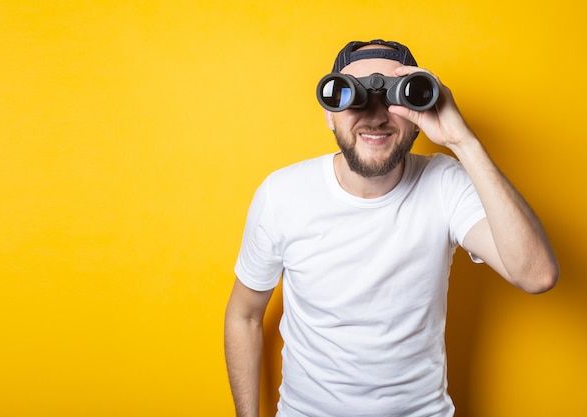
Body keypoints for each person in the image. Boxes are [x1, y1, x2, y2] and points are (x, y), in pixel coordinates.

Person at [224, 39, 559, 417]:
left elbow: (537, 275)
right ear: (329, 112)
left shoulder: (446, 183)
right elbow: (245, 316)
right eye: (355, 97)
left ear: (419, 107)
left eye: (393, 97)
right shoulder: (282, 194)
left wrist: (461, 141)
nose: (375, 116)